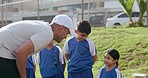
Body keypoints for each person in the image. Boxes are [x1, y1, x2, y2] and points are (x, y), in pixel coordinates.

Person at [0, 14, 76, 78]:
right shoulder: (48, 34)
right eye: (67, 33)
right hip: (3, 49)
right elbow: (20, 53)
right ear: (61, 28)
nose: (66, 37)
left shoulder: (44, 27)